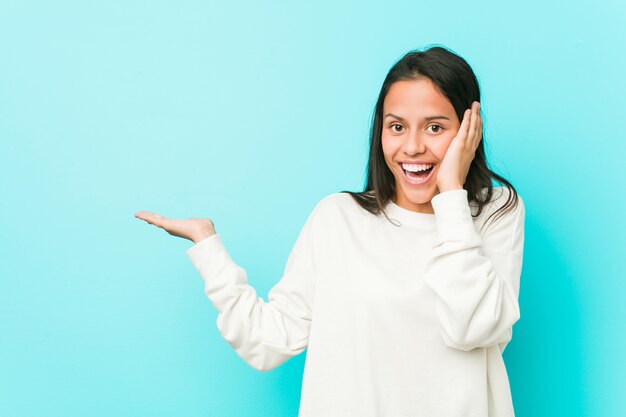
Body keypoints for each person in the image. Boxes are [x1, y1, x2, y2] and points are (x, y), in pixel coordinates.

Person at [135, 45, 525, 417]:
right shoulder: (338, 219)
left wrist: (452, 195)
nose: (412, 146)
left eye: (435, 127)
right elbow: (267, 342)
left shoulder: (496, 214)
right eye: (397, 126)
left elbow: (471, 328)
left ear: (468, 131)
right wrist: (207, 246)